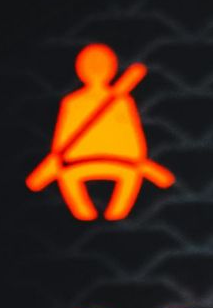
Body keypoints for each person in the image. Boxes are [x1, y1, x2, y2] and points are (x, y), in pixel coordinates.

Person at [25, 43, 175, 221]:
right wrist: (139, 160)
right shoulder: (75, 102)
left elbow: (61, 142)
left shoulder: (110, 101)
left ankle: (106, 214)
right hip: (89, 162)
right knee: (127, 175)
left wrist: (138, 161)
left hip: (110, 161)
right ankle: (95, 214)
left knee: (72, 176)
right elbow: (133, 139)